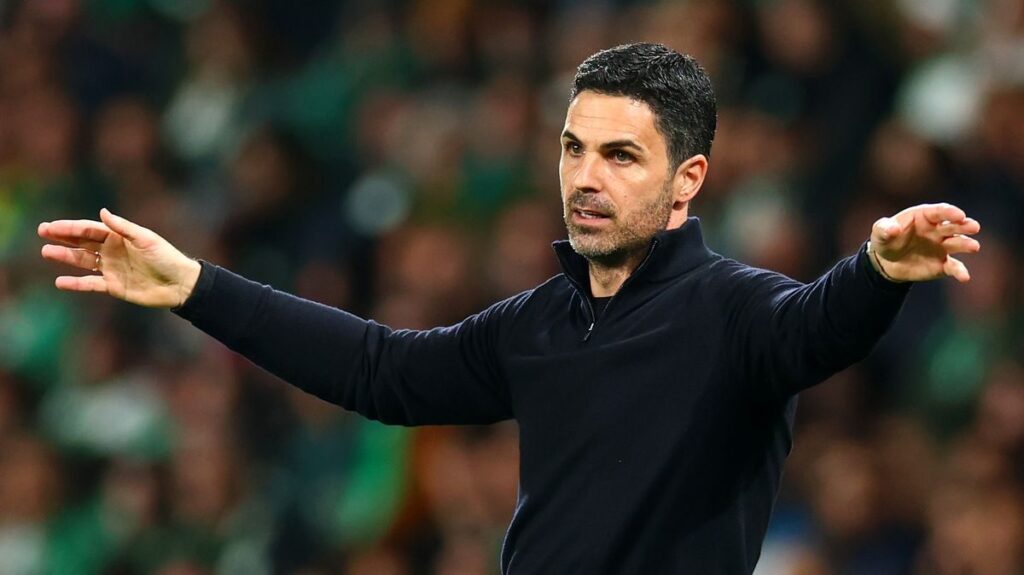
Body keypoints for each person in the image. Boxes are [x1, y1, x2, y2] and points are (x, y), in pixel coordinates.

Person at [37, 43, 981, 574]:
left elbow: (818, 328)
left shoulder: (738, 313)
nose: (585, 177)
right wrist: (194, 284)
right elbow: (383, 371)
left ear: (688, 180)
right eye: (574, 149)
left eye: (620, 156)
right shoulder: (536, 323)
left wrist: (877, 268)